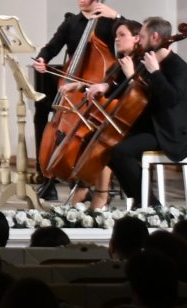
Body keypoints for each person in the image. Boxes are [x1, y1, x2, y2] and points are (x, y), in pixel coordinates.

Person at [97, 18, 187, 209]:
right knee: (108, 149)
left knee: (121, 152)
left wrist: (155, 73)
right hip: (149, 128)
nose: (139, 41)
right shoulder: (146, 60)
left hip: (169, 132)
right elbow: (131, 90)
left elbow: (172, 100)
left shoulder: (177, 66)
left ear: (155, 37)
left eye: (141, 36)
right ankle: (143, 201)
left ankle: (150, 204)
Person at [30, 0, 121, 158]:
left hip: (101, 83)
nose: (81, 0)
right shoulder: (71, 23)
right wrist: (42, 59)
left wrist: (117, 17)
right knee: (42, 109)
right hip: (73, 78)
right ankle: (44, 168)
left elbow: (132, 35)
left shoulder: (109, 22)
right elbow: (52, 46)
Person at [60, 18, 141, 206]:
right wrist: (81, 86)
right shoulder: (121, 63)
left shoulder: (139, 64)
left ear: (137, 39)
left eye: (122, 35)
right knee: (92, 138)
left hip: (135, 123)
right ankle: (88, 190)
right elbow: (108, 88)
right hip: (121, 121)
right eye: (116, 36)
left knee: (102, 141)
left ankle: (98, 194)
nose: (117, 39)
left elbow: (138, 94)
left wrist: (130, 74)